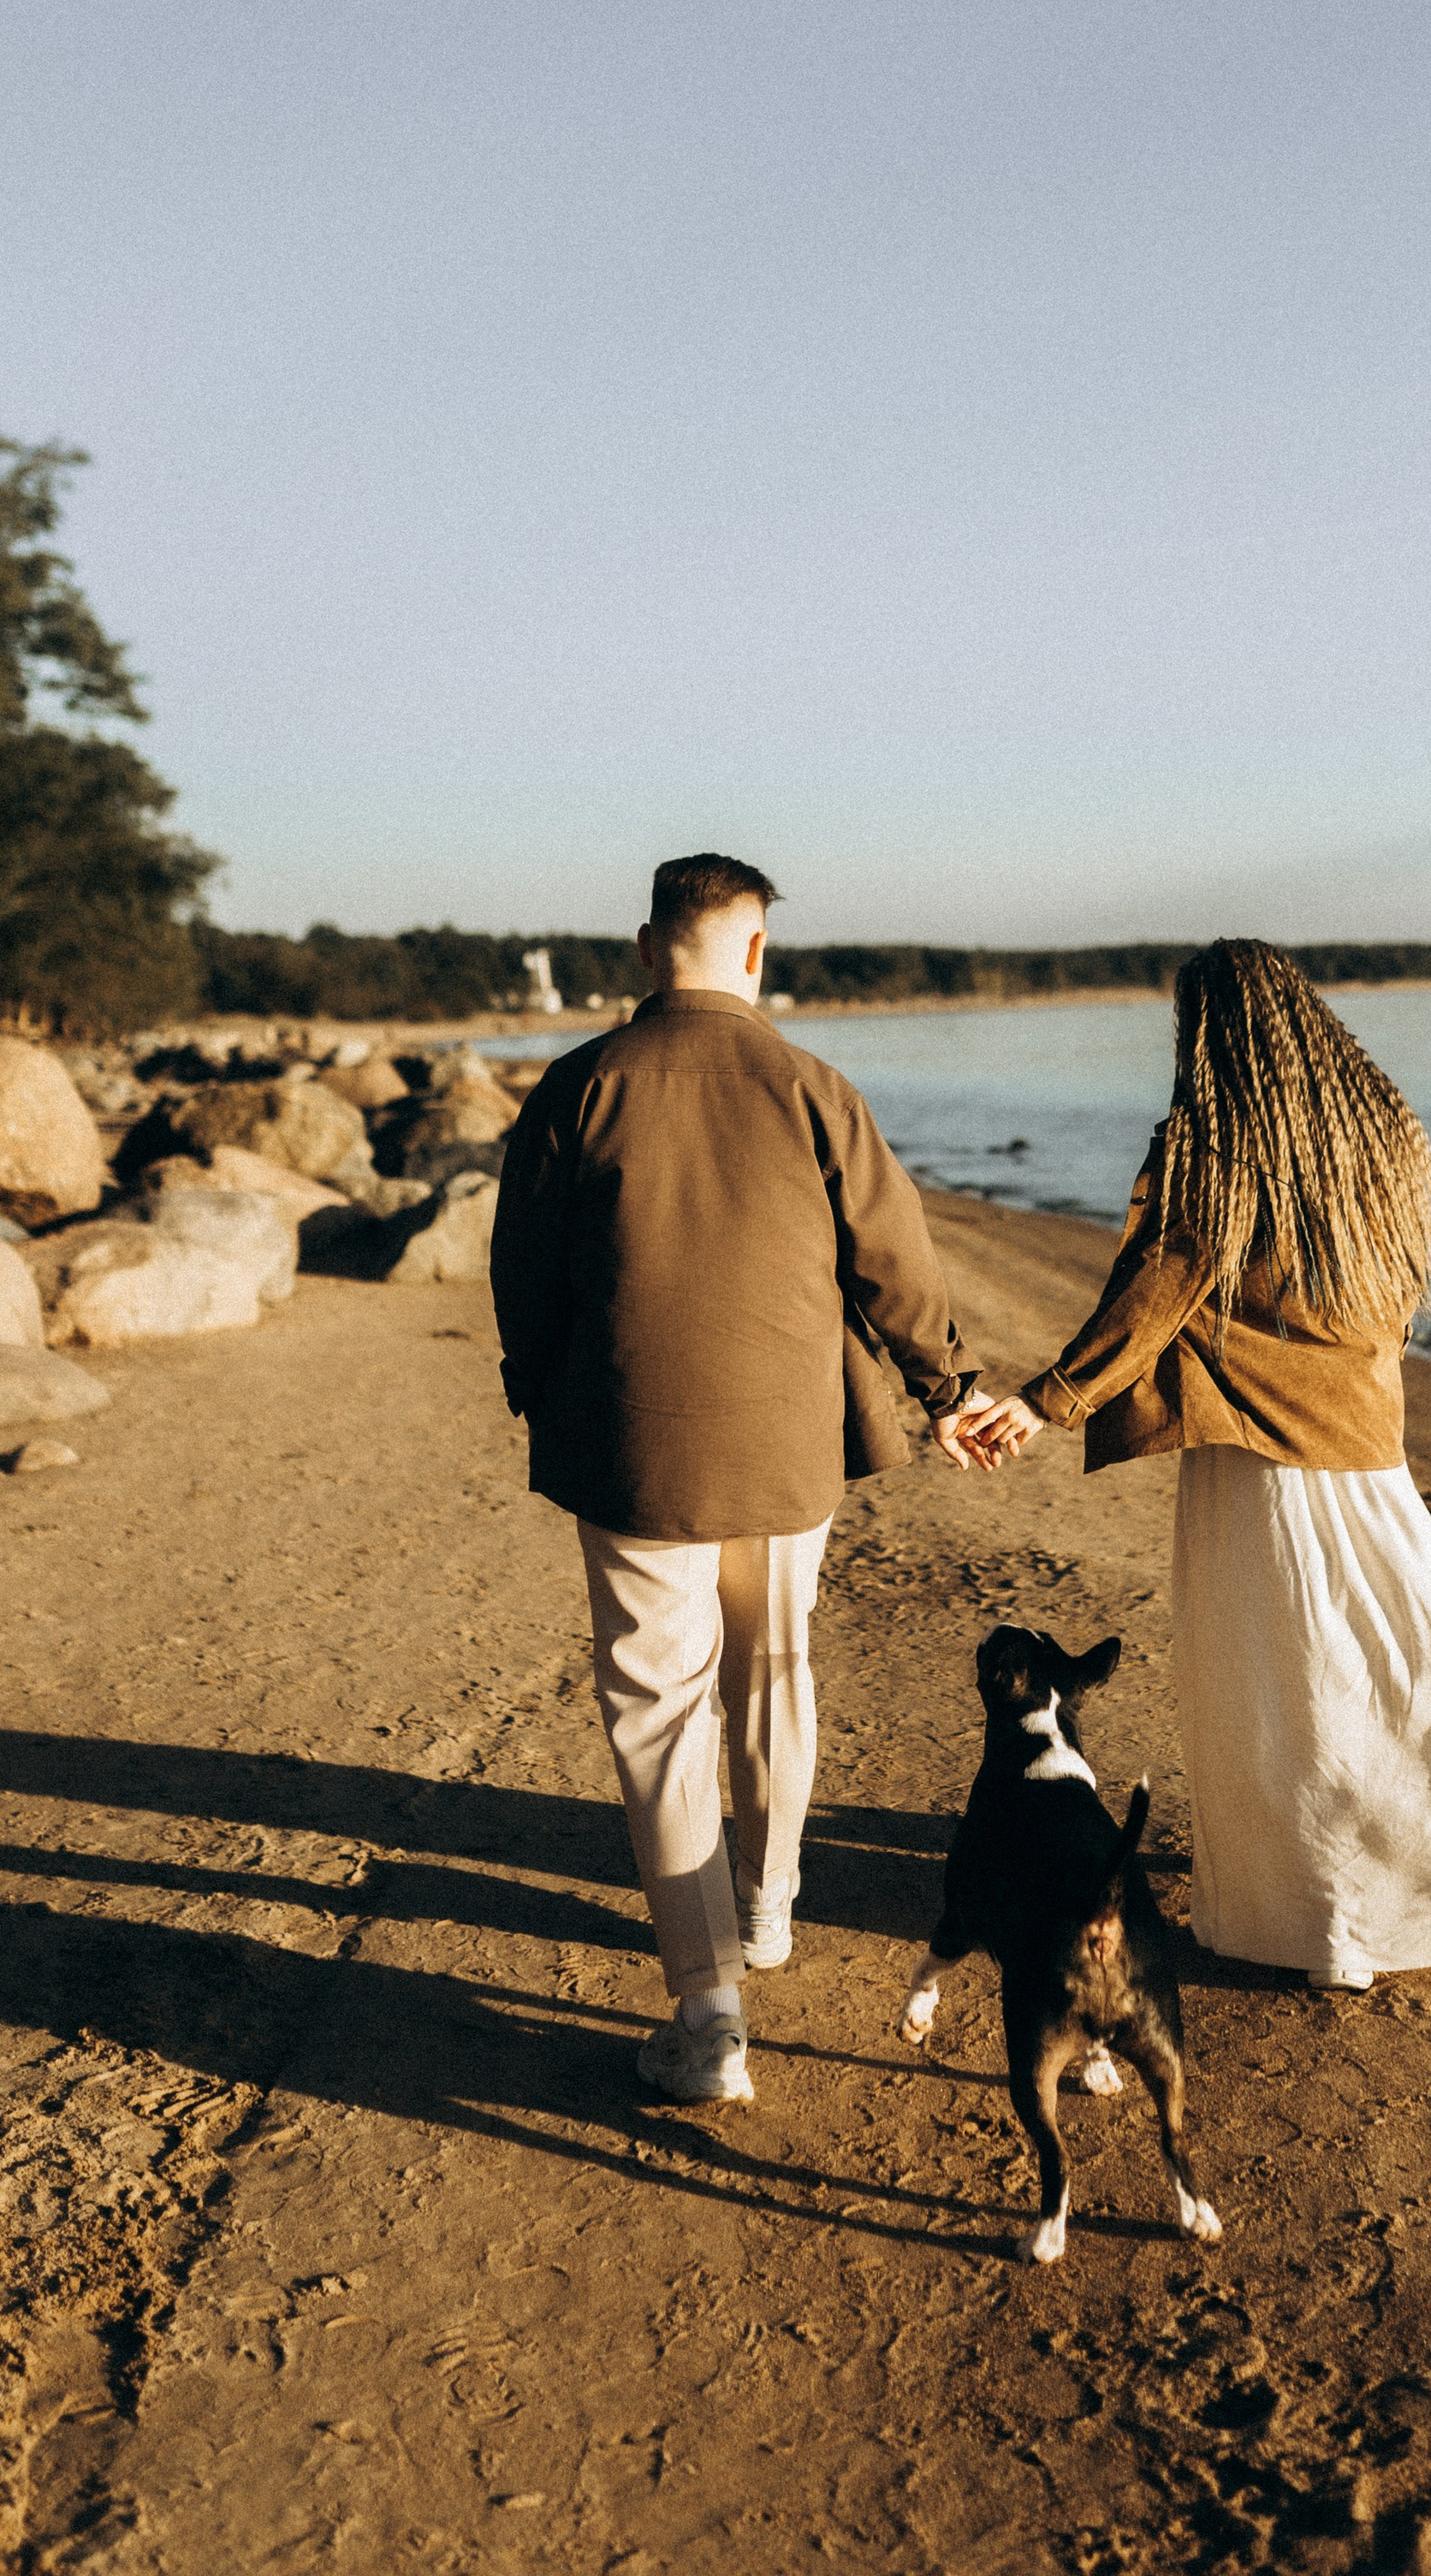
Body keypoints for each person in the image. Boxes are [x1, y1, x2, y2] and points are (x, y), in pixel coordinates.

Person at [966, 938, 1431, 1992]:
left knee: (1291, 1690)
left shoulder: (1215, 1146)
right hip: (1362, 1445)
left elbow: (1157, 1288)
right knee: (1406, 1670)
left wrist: (1045, 1401)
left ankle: (1320, 1914)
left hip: (1257, 1451)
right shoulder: (1381, 1129)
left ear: (1202, 1032)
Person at [490, 852, 991, 2103]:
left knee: (660, 1709)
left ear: (646, 946)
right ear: (756, 952)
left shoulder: (579, 1084)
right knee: (771, 1669)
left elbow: (526, 1274)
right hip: (787, 1438)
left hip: (631, 1442)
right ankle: (768, 1908)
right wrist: (949, 1392)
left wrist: (543, 1389)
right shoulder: (811, 1084)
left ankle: (708, 2004)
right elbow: (896, 1266)